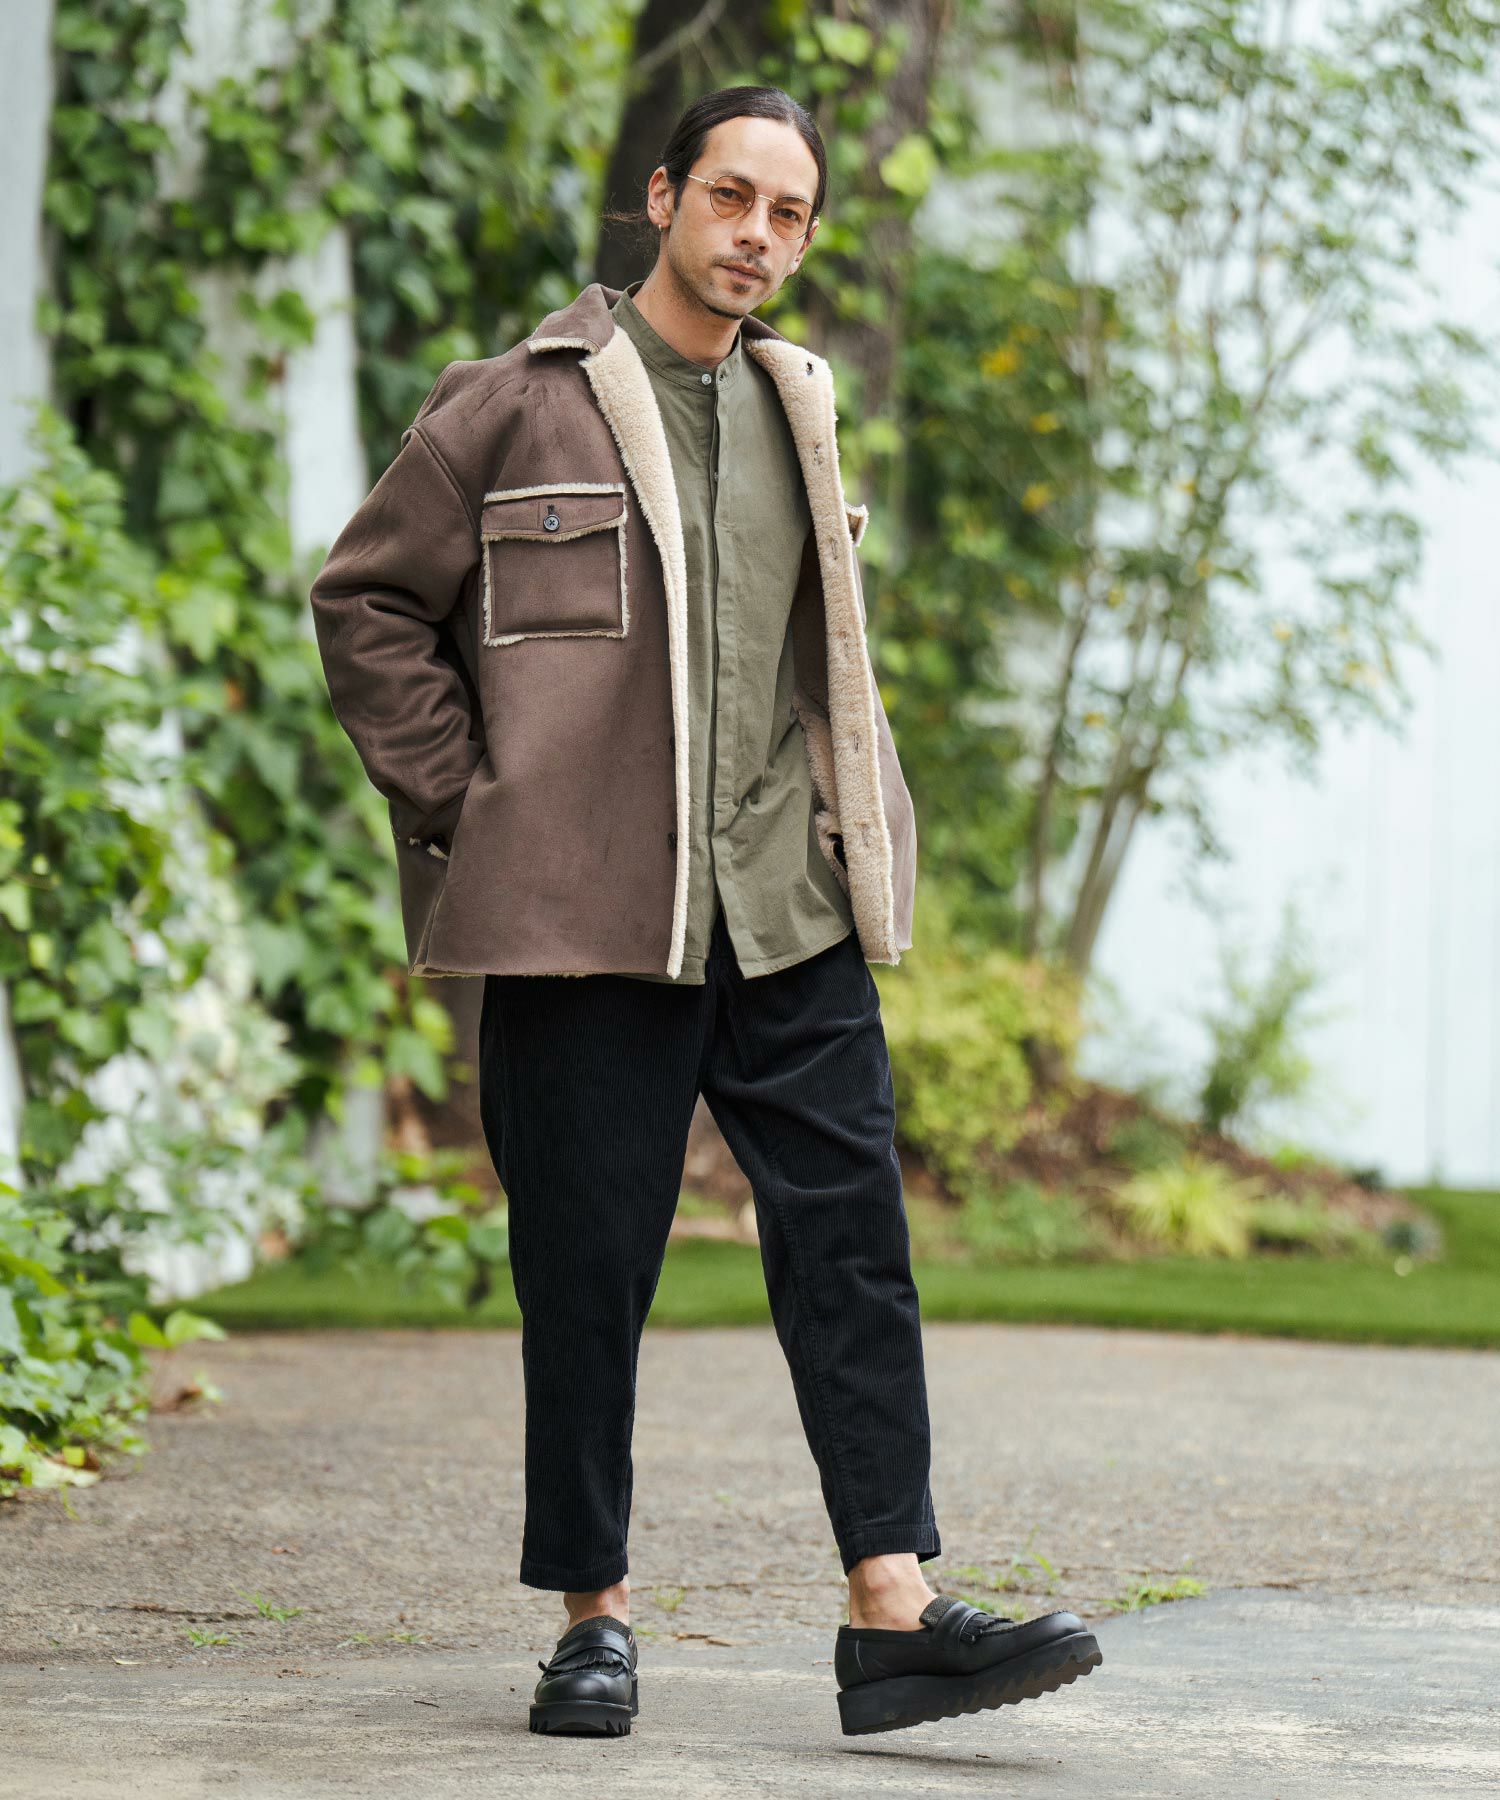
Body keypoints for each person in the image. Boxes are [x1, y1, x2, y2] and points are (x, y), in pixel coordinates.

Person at [310, 82, 1101, 1740]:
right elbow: (367, 600)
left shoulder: (800, 405)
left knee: (854, 1247)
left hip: (784, 904)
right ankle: (590, 1618)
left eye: (788, 213)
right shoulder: (511, 406)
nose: (757, 234)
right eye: (731, 196)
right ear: (664, 196)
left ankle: (893, 1607)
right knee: (587, 1269)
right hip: (588, 922)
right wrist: (469, 806)